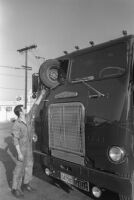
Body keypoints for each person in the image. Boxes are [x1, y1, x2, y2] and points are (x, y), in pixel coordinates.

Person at [11, 89, 46, 198]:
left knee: (29, 166)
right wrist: (19, 153)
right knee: (19, 169)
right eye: (23, 108)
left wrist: (41, 95)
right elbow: (15, 140)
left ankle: (26, 184)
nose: (25, 109)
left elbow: (35, 106)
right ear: (20, 112)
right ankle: (15, 188)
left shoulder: (28, 117)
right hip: (21, 149)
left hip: (29, 147)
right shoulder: (16, 125)